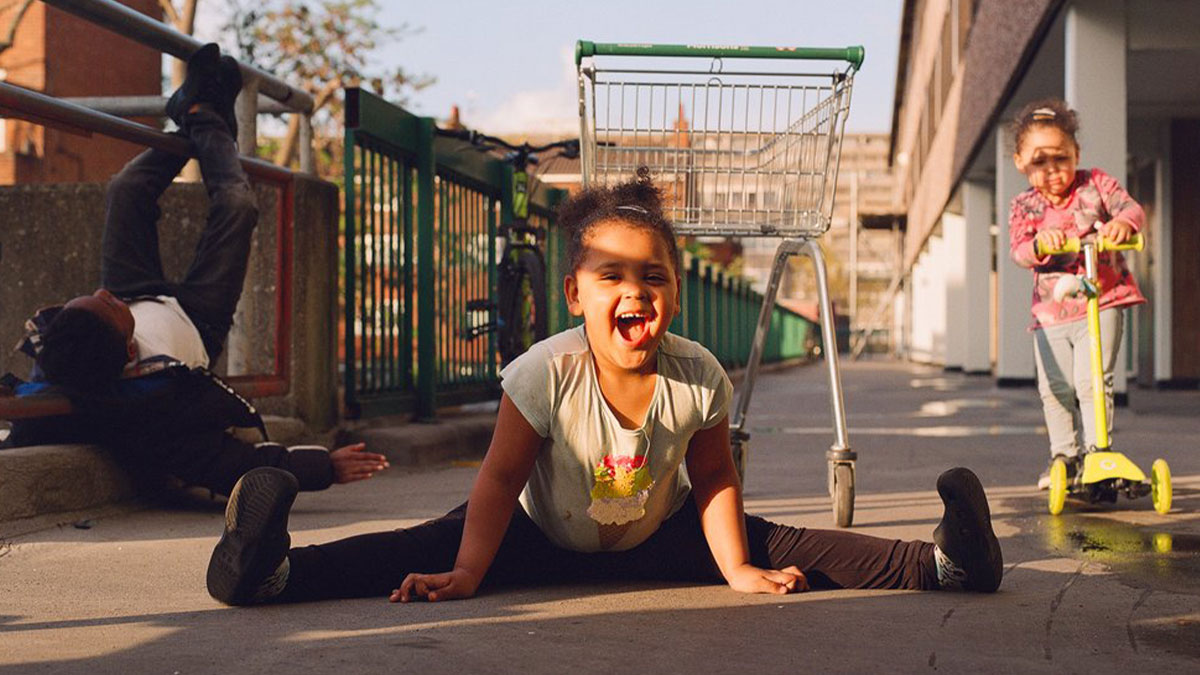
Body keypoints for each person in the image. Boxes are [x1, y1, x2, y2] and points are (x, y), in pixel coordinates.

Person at [205, 171, 1003, 606]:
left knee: (787, 545)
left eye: (654, 276)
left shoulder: (696, 376)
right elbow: (499, 478)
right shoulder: (544, 372)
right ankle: (268, 571)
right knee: (418, 550)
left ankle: (946, 564)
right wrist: (472, 570)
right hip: (532, 535)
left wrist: (733, 568)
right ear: (576, 295)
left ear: (677, 295)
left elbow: (717, 476)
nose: (636, 291)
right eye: (611, 275)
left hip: (655, 533)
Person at [3, 43, 387, 497]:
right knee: (239, 207)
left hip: (137, 284)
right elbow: (233, 463)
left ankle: (196, 113)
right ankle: (203, 113)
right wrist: (323, 467)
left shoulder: (67, 353)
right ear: (129, 354)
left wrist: (118, 299)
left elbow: (20, 416)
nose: (106, 294)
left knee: (127, 189)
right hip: (198, 318)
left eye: (93, 295)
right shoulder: (156, 417)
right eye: (106, 304)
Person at [1007, 99, 1146, 490]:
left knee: (1092, 382)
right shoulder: (1024, 205)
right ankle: (1064, 455)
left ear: (1077, 154)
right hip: (1051, 313)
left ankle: (1097, 451)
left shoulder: (1095, 183)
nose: (1052, 170)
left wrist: (1122, 223)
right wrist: (1040, 244)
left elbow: (1131, 209)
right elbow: (1018, 250)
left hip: (1102, 300)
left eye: (1062, 158)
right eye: (1039, 161)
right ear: (1020, 162)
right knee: (1055, 388)